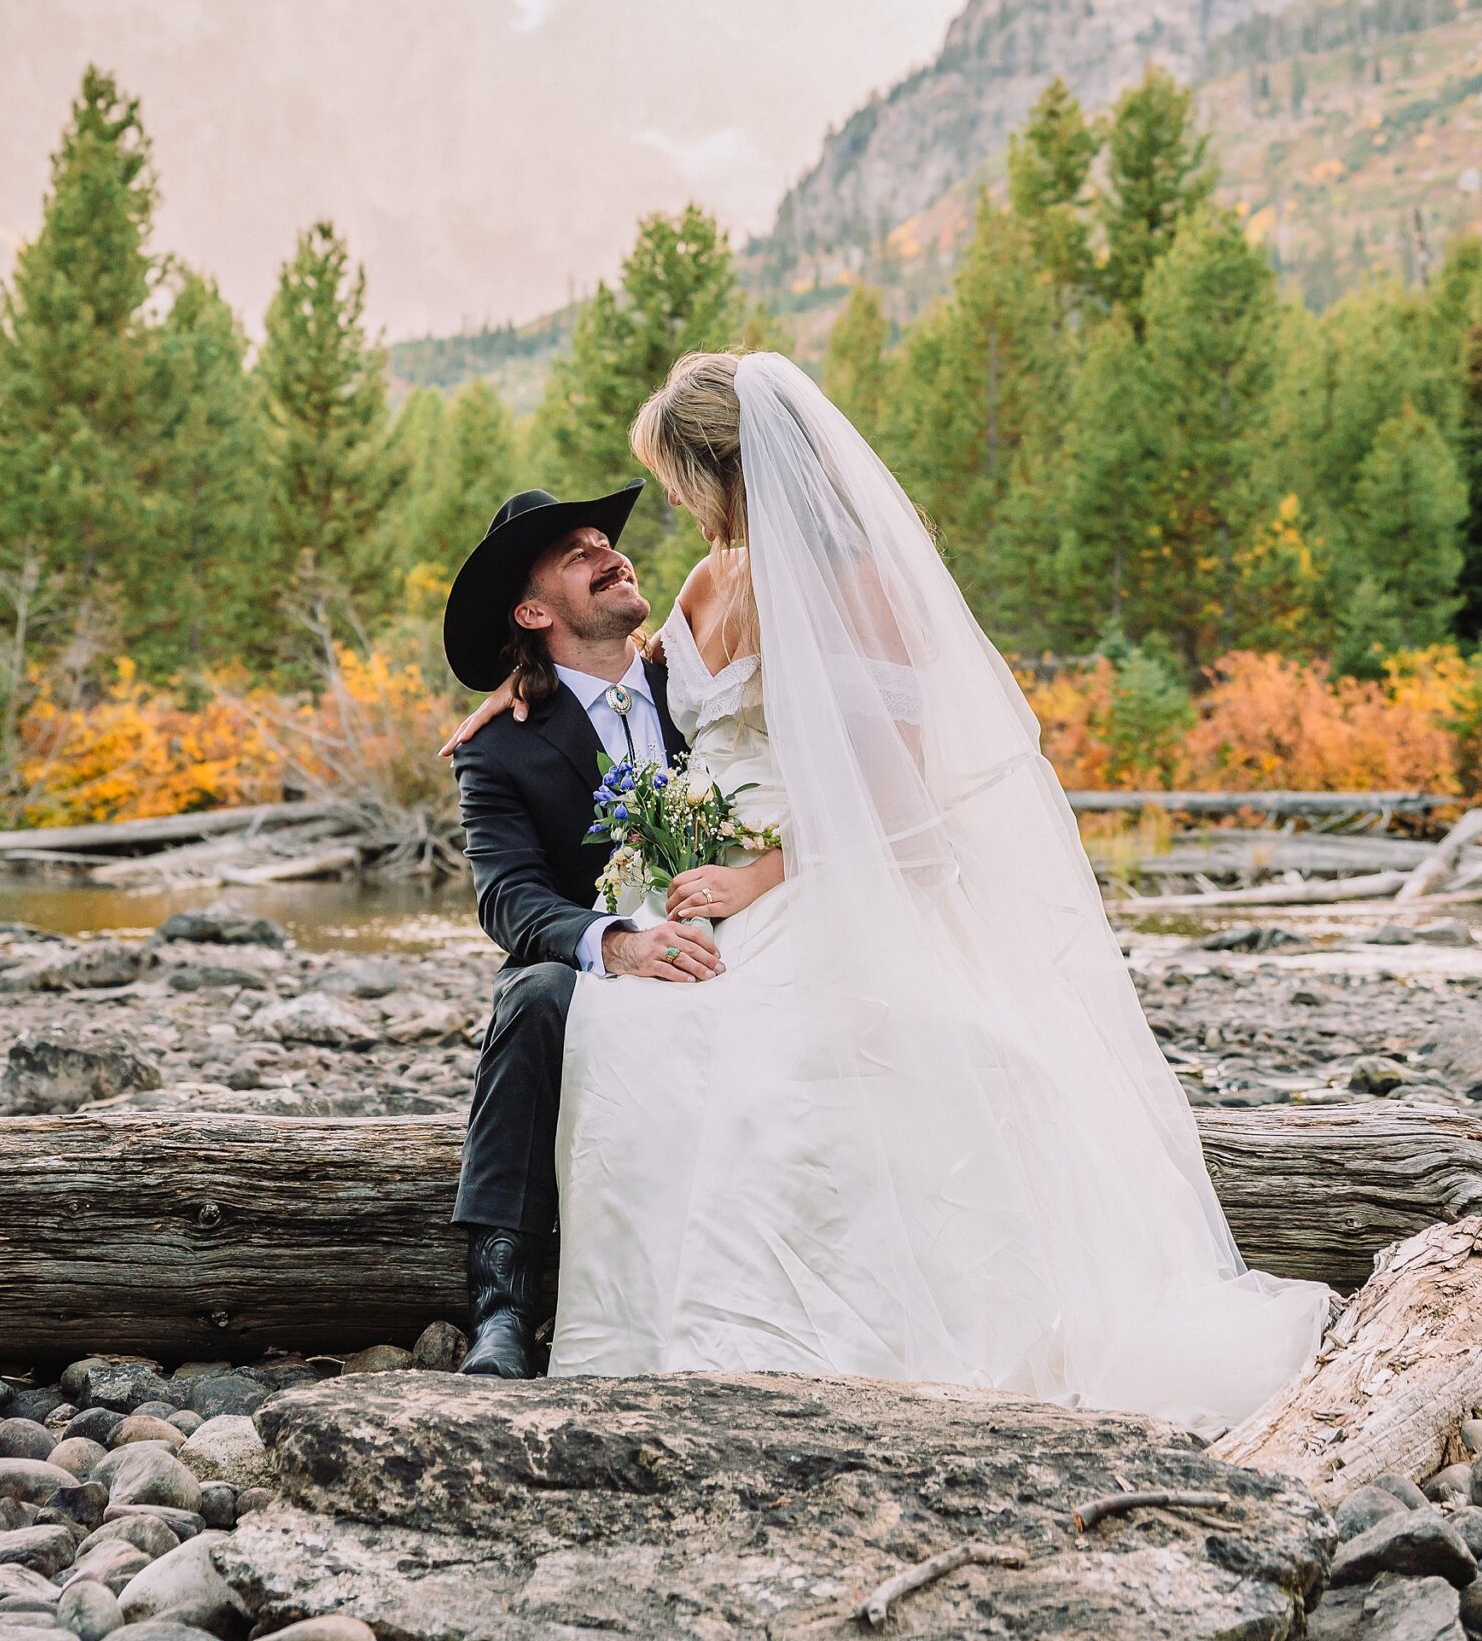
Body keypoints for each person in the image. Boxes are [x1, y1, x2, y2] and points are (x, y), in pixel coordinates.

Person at [444, 353, 1330, 1432]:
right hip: (709, 896)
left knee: (785, 1059)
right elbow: (627, 698)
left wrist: (761, 873)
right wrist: (520, 681)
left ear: (719, 468)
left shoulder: (857, 585)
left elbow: (893, 799)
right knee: (627, 1033)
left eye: (673, 479)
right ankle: (584, 1319)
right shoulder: (701, 587)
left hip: (822, 876)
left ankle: (813, 1345)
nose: (661, 508)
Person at [441, 480, 713, 1376]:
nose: (610, 553)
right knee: (535, 989)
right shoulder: (501, 744)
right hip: (602, 963)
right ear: (532, 608)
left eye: (608, 540)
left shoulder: (706, 685)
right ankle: (502, 1306)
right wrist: (617, 946)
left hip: (737, 932)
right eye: (578, 554)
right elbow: (508, 899)